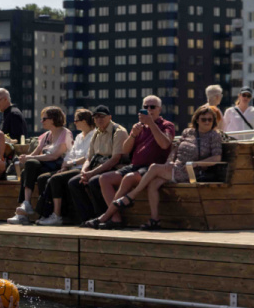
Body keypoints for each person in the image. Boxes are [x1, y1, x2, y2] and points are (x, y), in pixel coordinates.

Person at [92, 104, 224, 231]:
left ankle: (130, 197)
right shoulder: (188, 132)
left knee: (154, 168)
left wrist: (196, 163)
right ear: (197, 120)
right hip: (175, 167)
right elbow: (174, 149)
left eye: (210, 120)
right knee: (153, 184)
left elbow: (216, 158)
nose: (207, 122)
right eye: (204, 119)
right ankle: (155, 219)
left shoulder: (214, 135)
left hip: (191, 171)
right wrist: (169, 161)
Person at [92, 95, 174, 217]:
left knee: (129, 178)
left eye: (152, 107)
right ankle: (115, 218)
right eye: (145, 107)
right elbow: (125, 150)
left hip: (151, 168)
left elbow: (164, 144)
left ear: (159, 110)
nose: (149, 110)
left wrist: (151, 124)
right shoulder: (139, 126)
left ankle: (106, 216)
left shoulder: (166, 125)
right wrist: (133, 135)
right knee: (104, 178)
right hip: (135, 166)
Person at [8, 107, 71, 225]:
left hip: (58, 166)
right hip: (45, 165)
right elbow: (35, 153)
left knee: (31, 163)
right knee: (25, 170)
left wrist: (29, 158)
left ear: (53, 119)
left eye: (44, 119)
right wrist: (24, 158)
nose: (42, 121)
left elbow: (54, 156)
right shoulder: (46, 135)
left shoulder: (65, 133)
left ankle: (26, 206)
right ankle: (24, 210)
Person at [33, 109, 95, 226]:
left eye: (77, 120)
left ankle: (57, 215)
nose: (74, 123)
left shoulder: (93, 136)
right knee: (42, 178)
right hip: (71, 167)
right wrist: (64, 166)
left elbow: (88, 157)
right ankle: (47, 213)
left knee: (56, 179)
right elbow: (70, 154)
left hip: (81, 168)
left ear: (85, 121)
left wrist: (70, 164)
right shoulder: (79, 137)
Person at [68, 106, 128, 225]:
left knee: (94, 181)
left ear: (110, 117)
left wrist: (92, 173)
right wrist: (84, 171)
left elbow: (115, 159)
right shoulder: (96, 133)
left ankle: (105, 216)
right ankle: (87, 217)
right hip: (98, 167)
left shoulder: (118, 132)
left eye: (102, 116)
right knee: (74, 183)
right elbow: (89, 158)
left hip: (113, 168)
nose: (99, 119)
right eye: (96, 117)